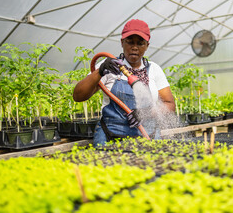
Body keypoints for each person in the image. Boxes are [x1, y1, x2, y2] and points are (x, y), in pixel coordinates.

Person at [73, 19, 175, 147]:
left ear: (147, 45)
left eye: (140, 43)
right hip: (111, 138)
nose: (135, 47)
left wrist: (147, 112)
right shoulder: (109, 67)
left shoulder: (154, 69)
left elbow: (169, 105)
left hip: (148, 137)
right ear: (122, 42)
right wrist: (99, 72)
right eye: (130, 42)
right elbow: (78, 96)